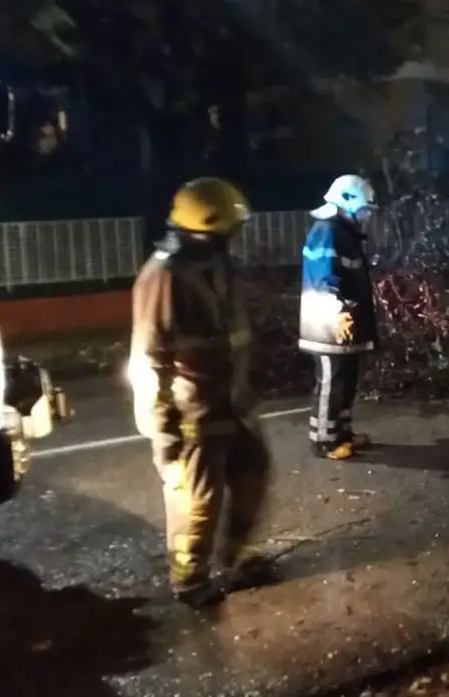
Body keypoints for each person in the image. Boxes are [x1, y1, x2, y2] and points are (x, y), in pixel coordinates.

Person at [127, 177, 278, 608]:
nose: (235, 237)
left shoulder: (216, 261)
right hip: (194, 411)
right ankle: (190, 579)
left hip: (232, 401)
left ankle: (235, 559)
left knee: (253, 474)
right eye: (228, 229)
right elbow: (149, 359)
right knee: (197, 500)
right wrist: (163, 432)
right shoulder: (163, 276)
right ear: (203, 229)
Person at [298, 174, 380, 460]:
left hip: (342, 324)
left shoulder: (343, 232)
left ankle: (341, 432)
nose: (367, 214)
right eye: (364, 208)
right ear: (347, 202)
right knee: (331, 383)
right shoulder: (328, 231)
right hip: (327, 324)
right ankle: (324, 440)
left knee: (346, 381)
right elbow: (324, 275)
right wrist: (337, 312)